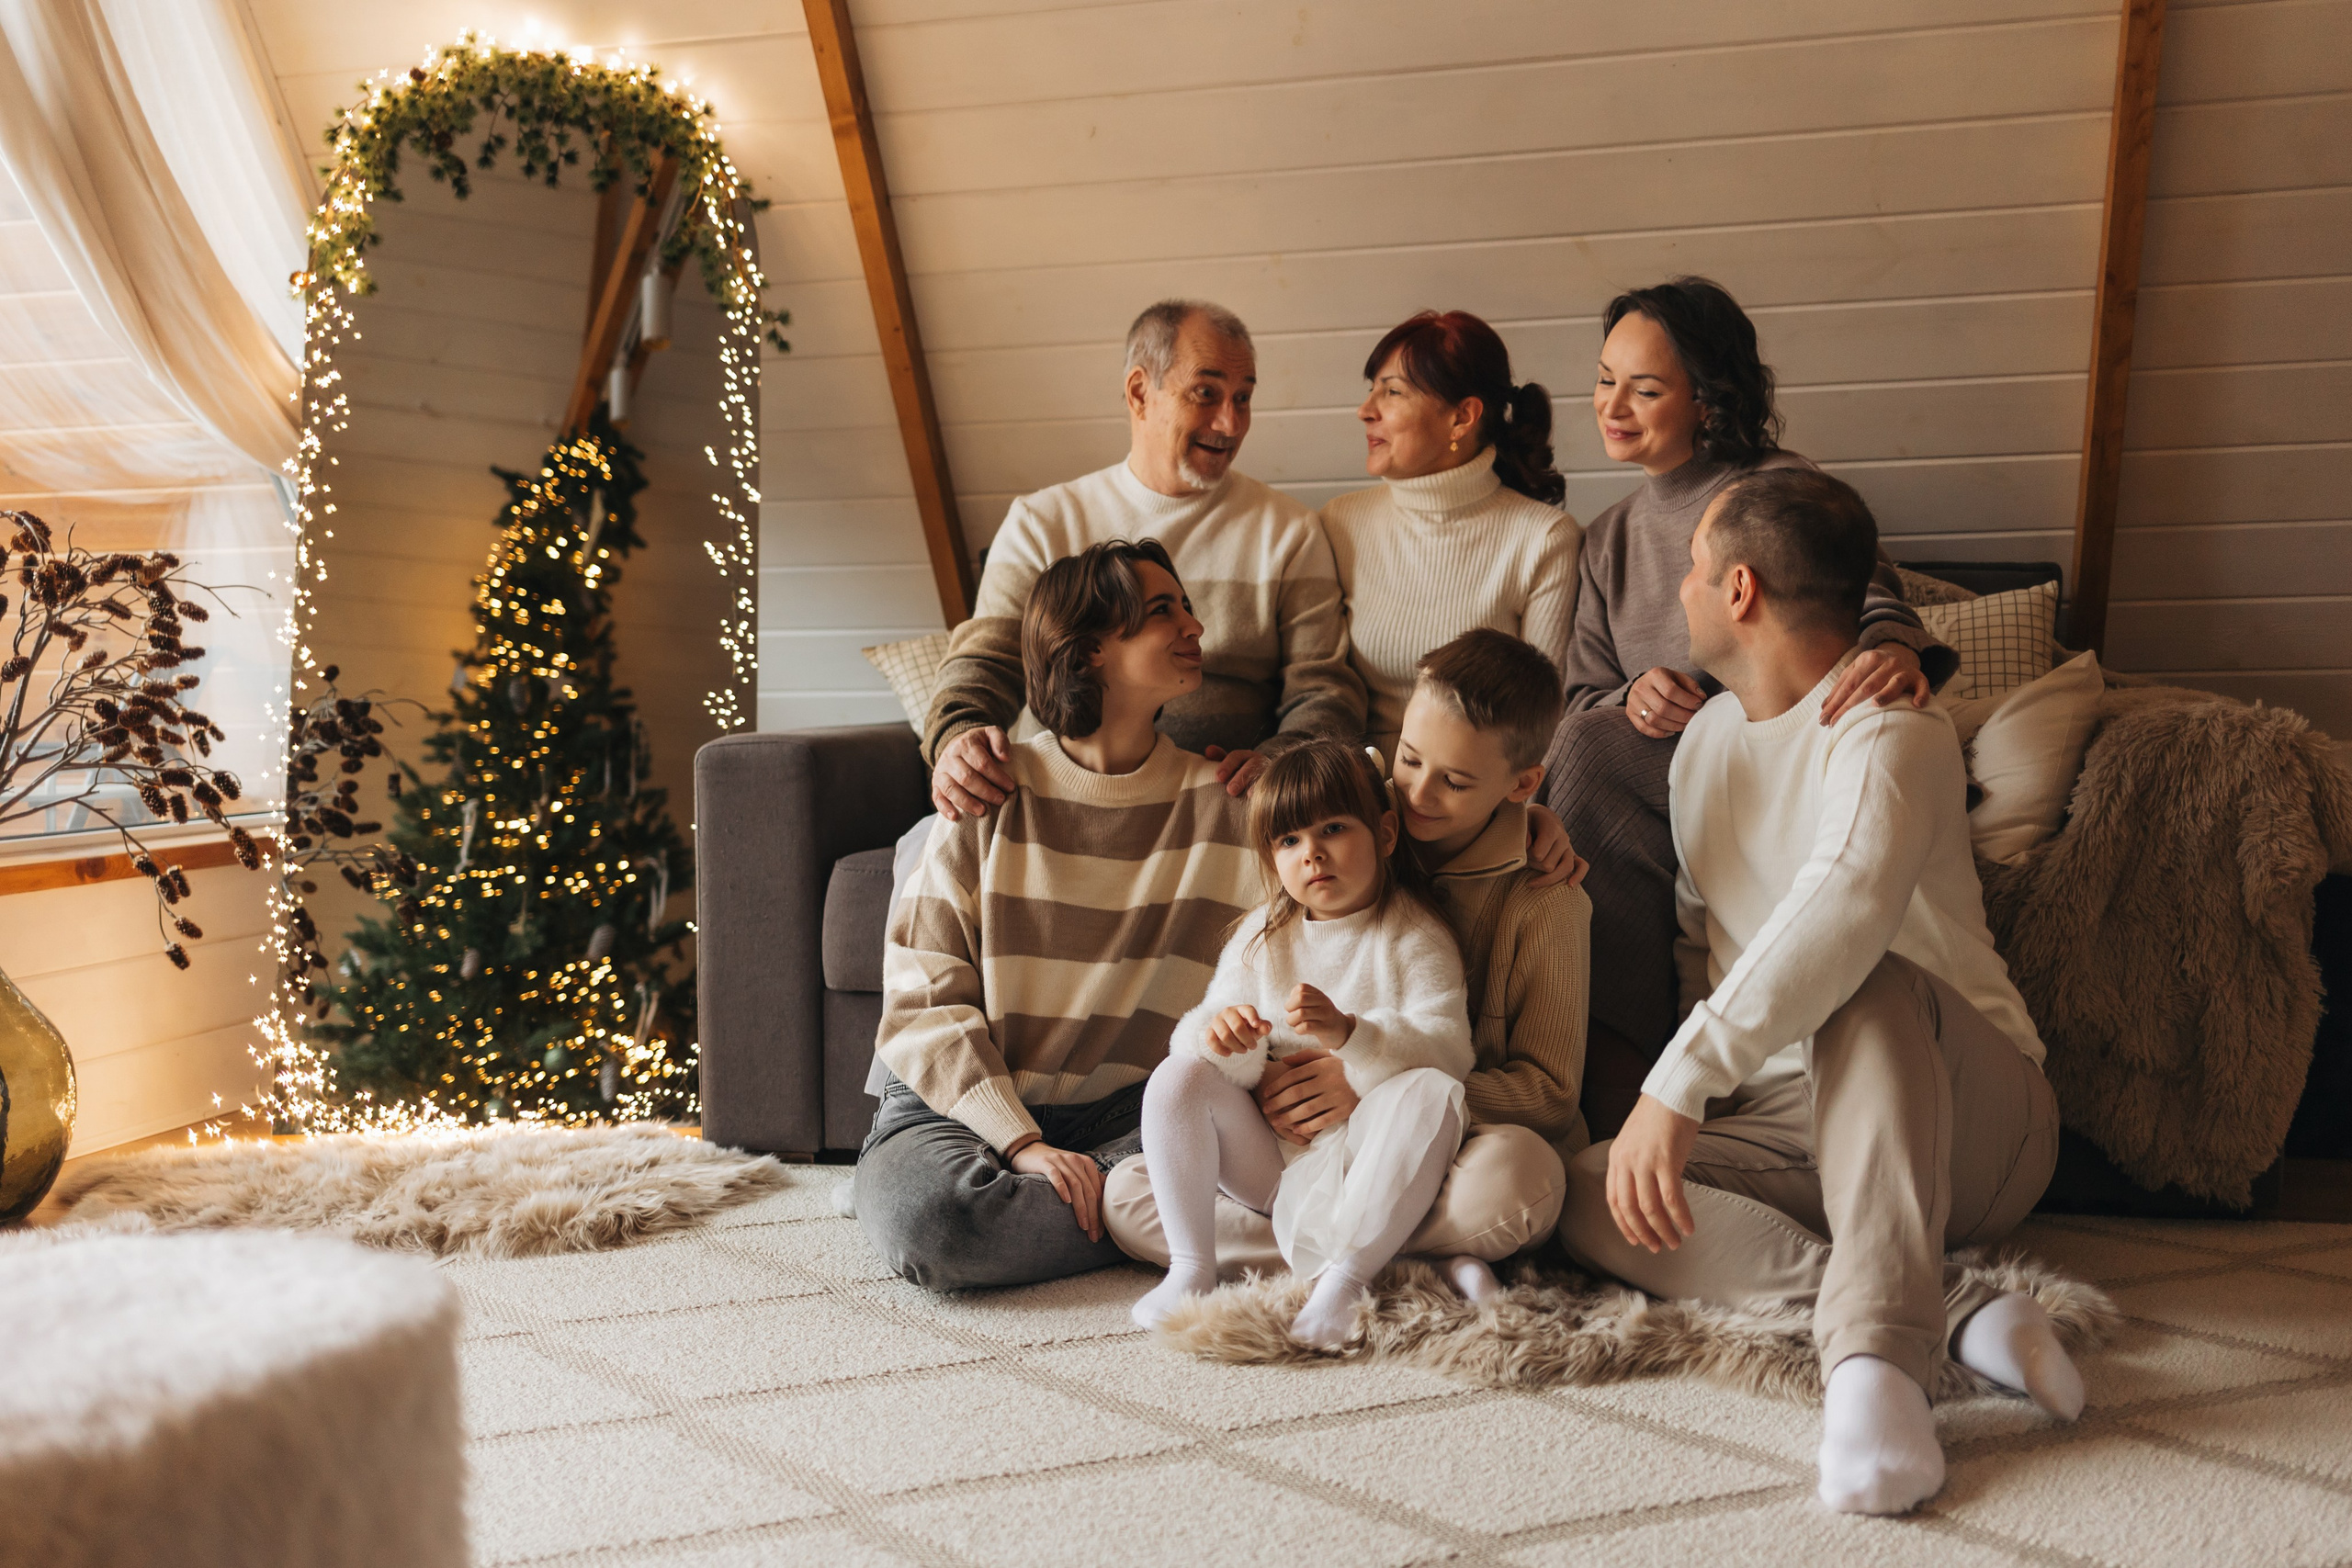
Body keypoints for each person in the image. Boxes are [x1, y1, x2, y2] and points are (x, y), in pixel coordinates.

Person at [1555, 468, 2074, 1517]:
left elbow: (1844, 911)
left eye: (1693, 570)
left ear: (1738, 590)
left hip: (1973, 1113)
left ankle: (1878, 1372)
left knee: (1861, 984)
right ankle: (1959, 1306)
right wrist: (1682, 1117)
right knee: (1586, 1189)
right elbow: (1707, 948)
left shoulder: (1891, 732)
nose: (1683, 592)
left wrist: (1679, 1081)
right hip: (1802, 1127)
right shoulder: (1702, 744)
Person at [1540, 276, 1956, 1132]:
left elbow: (1857, 595)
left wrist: (1892, 648)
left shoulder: (1775, 483)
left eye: (1645, 388)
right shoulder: (1606, 538)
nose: (1612, 405)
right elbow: (1580, 696)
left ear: (1709, 399)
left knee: (1585, 757)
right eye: (1605, 378)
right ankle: (1596, 1073)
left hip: (1771, 744)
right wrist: (1632, 693)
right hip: (1660, 759)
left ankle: (1625, 1088)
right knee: (1581, 747)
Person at [1104, 630, 1586, 1299]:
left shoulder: (1547, 900)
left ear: (1521, 784)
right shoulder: (1355, 811)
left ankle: (1343, 1250)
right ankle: (1414, 1258)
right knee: (1128, 1191)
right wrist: (1254, 1061)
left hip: (1452, 1142)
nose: (1415, 792)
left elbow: (1553, 1099)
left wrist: (1366, 1081)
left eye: (1454, 781)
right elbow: (1262, 979)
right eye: (1409, 759)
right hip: (1295, 1150)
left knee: (1523, 1178)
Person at [856, 539, 1261, 1290]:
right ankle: (1158, 1210)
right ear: (1089, 652)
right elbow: (921, 1000)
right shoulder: (990, 787)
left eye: (1189, 606)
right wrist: (1020, 1143)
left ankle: (1137, 1201)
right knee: (934, 1222)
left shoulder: (1228, 800)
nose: (1195, 626)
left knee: (1250, 1130)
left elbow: (1378, 815)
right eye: (1162, 611)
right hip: (963, 1104)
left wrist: (1518, 826)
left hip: (1129, 1114)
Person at [922, 299, 1364, 823]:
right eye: (1206, 393)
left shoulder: (1289, 531)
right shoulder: (1043, 522)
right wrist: (958, 739)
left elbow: (1323, 689)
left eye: (1243, 398)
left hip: (1224, 810)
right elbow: (985, 663)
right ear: (1139, 393)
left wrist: (1281, 762)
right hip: (1058, 805)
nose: (1230, 422)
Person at [1130, 740, 1474, 1348]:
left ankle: (1344, 1281)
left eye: (1333, 829)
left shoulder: (1413, 934)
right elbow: (1205, 1033)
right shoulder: (1261, 938)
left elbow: (1450, 1048)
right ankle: (1191, 1266)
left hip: (1368, 1162)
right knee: (1179, 1075)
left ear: (1386, 833)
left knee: (1433, 1090)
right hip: (1275, 1165)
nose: (1311, 853)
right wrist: (1227, 1041)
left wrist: (1353, 1036)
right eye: (1288, 841)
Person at [1317, 310, 1582, 763]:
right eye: (1371, 390)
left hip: (1477, 802)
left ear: (1462, 417)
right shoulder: (1340, 523)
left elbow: (1541, 726)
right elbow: (1318, 690)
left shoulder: (1544, 538)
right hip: (1354, 795)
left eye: (1392, 392)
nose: (1366, 411)